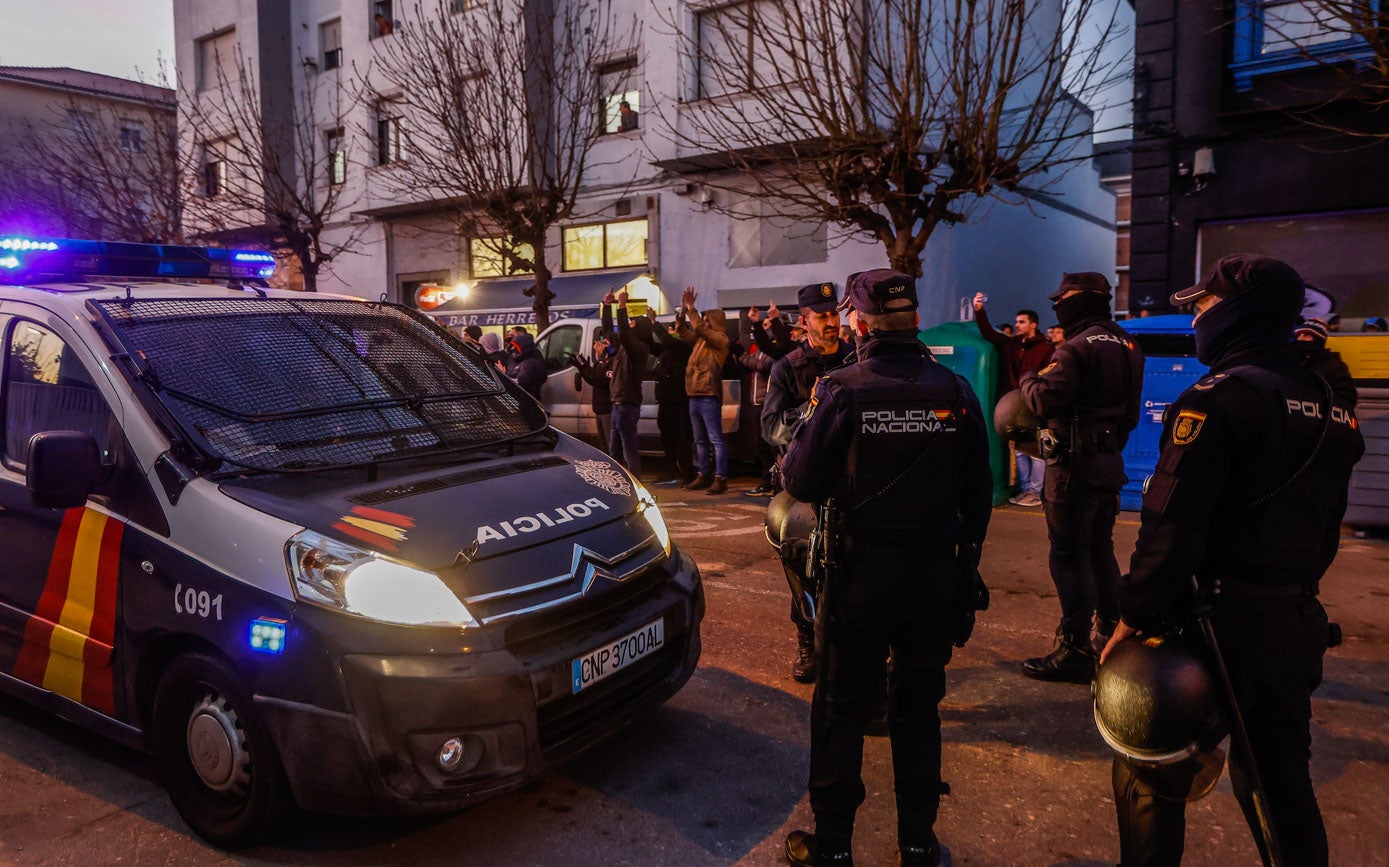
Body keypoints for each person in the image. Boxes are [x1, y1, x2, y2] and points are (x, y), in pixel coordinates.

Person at [1100, 254, 1365, 867]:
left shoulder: (1216, 400)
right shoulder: (1329, 404)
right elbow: (1326, 531)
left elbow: (1169, 532)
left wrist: (1131, 618)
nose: (1196, 317)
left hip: (1212, 625)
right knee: (1281, 784)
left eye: (1204, 306)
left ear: (1238, 311)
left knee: (1148, 769)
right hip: (1293, 620)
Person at [779, 269, 992, 867]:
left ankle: (833, 846)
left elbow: (798, 481)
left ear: (861, 322)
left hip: (861, 576)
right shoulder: (954, 390)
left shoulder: (841, 388)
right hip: (932, 576)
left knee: (841, 710)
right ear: (915, 319)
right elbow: (980, 492)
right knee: (918, 710)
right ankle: (918, 842)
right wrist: (964, 564)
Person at [1018, 272, 1144, 683]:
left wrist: (1027, 378)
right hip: (1108, 464)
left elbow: (1044, 399)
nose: (1057, 305)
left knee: (1069, 555)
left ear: (1082, 300)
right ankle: (1109, 634)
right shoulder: (1128, 345)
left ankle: (1074, 647)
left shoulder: (1074, 349)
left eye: (1064, 298)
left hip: (1070, 469)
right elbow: (1129, 417)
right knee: (1101, 550)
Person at [761, 281, 855, 683]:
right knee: (801, 566)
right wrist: (813, 408)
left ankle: (853, 648)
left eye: (834, 314)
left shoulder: (857, 359)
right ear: (805, 322)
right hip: (805, 483)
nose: (831, 322)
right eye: (823, 316)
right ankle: (807, 639)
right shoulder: (787, 368)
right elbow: (770, 427)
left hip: (851, 481)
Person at [973, 294, 1055, 508]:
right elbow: (988, 333)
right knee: (1019, 448)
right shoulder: (1011, 344)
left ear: (1033, 324)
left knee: (1036, 449)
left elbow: (1049, 374)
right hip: (1012, 402)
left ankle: (1035, 491)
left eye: (1022, 322)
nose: (1017, 325)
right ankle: (1025, 488)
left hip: (1034, 401)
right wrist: (979, 309)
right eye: (1016, 321)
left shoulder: (1046, 349)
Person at [675, 287, 730, 494]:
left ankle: (721, 477)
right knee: (699, 439)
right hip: (694, 395)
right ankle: (704, 474)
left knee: (715, 439)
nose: (703, 322)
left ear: (715, 322)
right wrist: (683, 312)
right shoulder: (700, 341)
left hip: (708, 395)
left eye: (707, 319)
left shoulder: (720, 340)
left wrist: (692, 310)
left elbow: (700, 329)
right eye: (703, 319)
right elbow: (681, 332)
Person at [602, 288, 650, 477]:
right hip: (617, 404)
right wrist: (607, 306)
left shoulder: (639, 348)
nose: (630, 324)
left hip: (627, 406)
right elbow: (608, 331)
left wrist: (622, 306)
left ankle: (636, 486)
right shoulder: (625, 346)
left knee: (629, 450)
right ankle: (619, 485)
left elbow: (622, 333)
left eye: (632, 323)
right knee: (614, 452)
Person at [647, 307, 696, 486]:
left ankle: (688, 473)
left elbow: (669, 341)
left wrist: (654, 322)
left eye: (673, 328)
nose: (669, 331)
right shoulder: (667, 350)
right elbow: (653, 345)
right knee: (667, 437)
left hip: (679, 401)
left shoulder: (682, 347)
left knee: (681, 438)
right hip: (666, 401)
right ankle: (671, 471)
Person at [1293, 318, 1357, 407]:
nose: (1300, 339)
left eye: (1307, 335)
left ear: (1318, 340)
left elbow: (1347, 398)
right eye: (1299, 335)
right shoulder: (1293, 363)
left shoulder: (1335, 367)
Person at [571, 334, 614, 453]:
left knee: (612, 446)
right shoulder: (602, 361)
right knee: (604, 447)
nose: (599, 346)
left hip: (607, 409)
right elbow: (593, 381)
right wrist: (581, 367)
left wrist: (585, 366)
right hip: (599, 408)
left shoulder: (611, 361)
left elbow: (601, 380)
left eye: (604, 344)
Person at [508, 329, 545, 400]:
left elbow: (520, 383)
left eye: (516, 347)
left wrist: (503, 374)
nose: (513, 349)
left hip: (527, 402)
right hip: (524, 400)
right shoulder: (519, 361)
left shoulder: (529, 364)